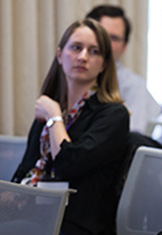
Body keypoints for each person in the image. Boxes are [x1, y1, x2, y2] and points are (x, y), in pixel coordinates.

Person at [11, 18, 129, 235]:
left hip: (75, 223)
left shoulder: (113, 115)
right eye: (76, 48)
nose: (83, 57)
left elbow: (67, 164)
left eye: (93, 51)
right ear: (59, 55)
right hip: (31, 211)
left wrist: (54, 117)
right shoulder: (53, 107)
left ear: (103, 64)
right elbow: (25, 169)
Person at [86, 4, 162, 134]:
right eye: (102, 35)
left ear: (124, 46)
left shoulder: (133, 86)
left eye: (114, 38)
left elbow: (132, 136)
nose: (107, 44)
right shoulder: (73, 76)